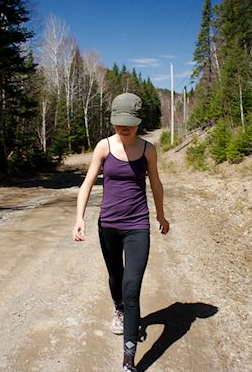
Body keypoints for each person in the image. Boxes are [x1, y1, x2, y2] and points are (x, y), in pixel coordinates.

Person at [72, 92, 170, 372]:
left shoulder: (148, 149)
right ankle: (119, 309)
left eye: (129, 122)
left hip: (138, 226)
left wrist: (160, 214)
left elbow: (156, 184)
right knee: (116, 277)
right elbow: (87, 183)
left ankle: (129, 360)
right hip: (109, 226)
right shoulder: (103, 147)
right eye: (119, 122)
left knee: (132, 287)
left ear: (139, 121)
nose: (124, 128)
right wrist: (79, 217)